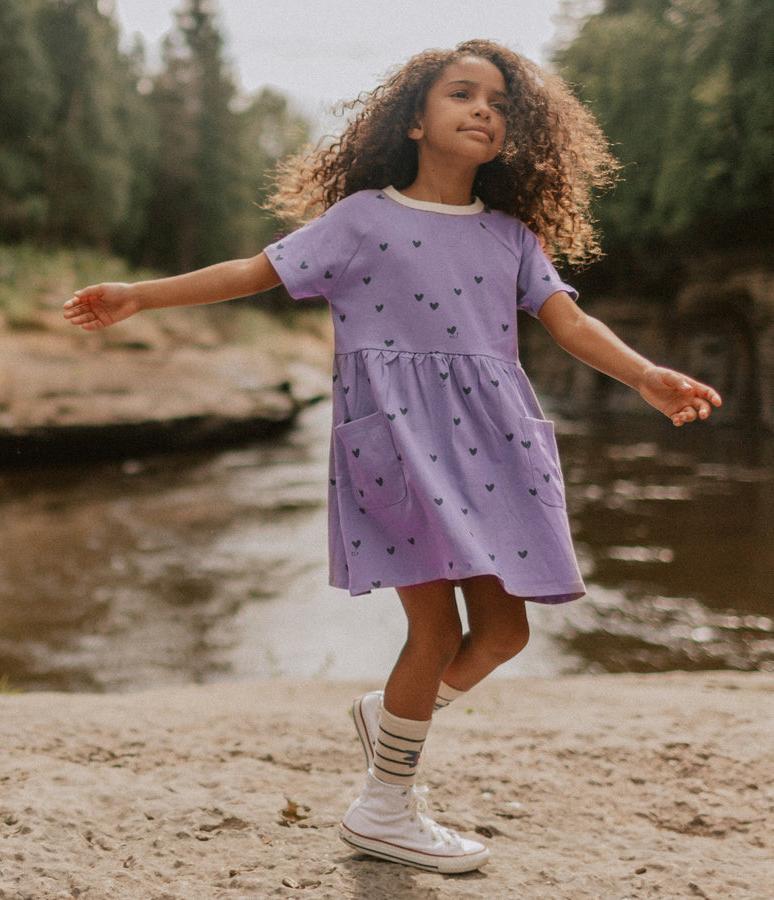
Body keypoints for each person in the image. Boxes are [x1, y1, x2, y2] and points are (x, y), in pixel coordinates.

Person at [64, 39, 721, 875]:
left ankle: (391, 719)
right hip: (399, 439)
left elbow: (570, 326)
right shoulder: (362, 219)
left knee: (508, 631)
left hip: (497, 441)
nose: (484, 109)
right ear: (415, 119)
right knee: (436, 629)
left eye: (500, 103)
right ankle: (385, 807)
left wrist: (645, 377)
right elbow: (251, 271)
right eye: (462, 94)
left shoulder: (512, 236)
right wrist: (138, 295)